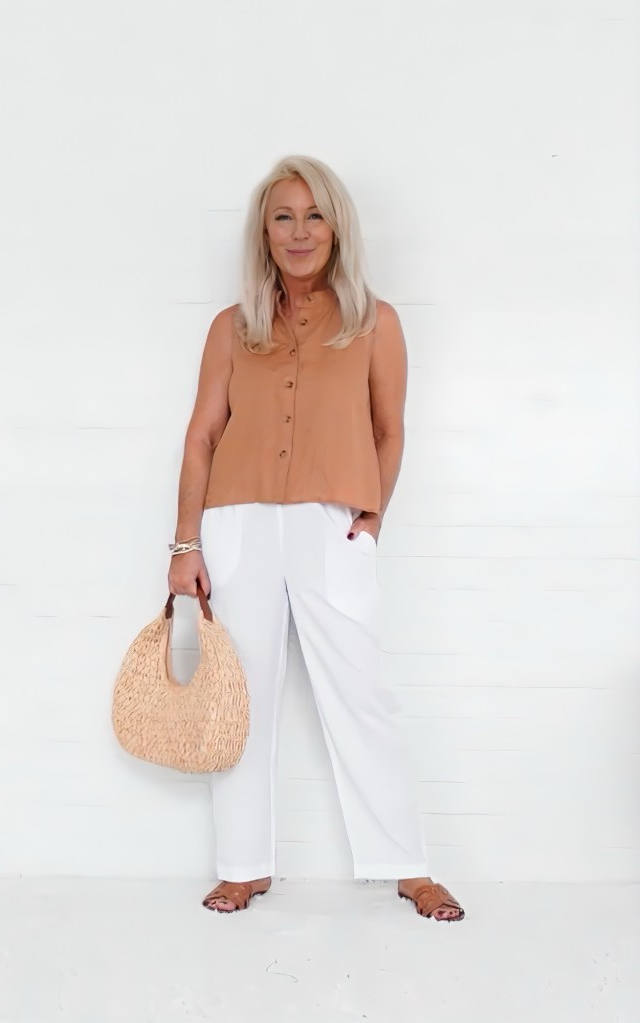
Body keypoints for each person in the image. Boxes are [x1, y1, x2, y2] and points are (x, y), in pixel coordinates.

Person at [168, 155, 465, 923]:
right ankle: (243, 866)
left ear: (337, 227)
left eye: (314, 216)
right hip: (237, 524)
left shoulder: (376, 321)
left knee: (361, 693)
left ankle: (406, 865)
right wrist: (185, 545)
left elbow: (391, 431)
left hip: (333, 522)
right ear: (262, 232)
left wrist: (375, 515)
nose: (299, 232)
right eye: (282, 217)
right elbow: (201, 436)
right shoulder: (231, 329)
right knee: (241, 700)